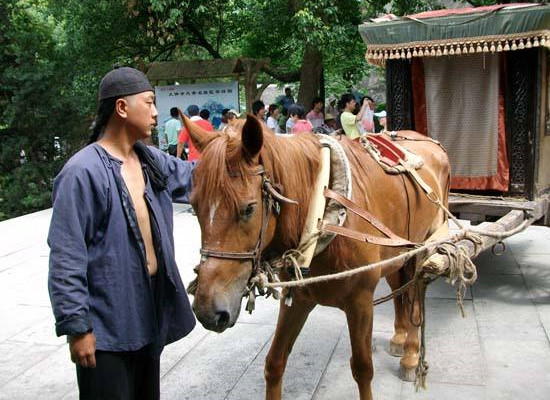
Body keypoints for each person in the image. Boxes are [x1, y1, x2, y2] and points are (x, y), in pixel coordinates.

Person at [47, 66, 196, 400]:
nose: (156, 112)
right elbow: (66, 257)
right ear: (122, 108)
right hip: (105, 327)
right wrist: (77, 327)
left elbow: (197, 177)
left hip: (147, 314)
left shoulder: (149, 161)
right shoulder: (82, 172)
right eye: (149, 102)